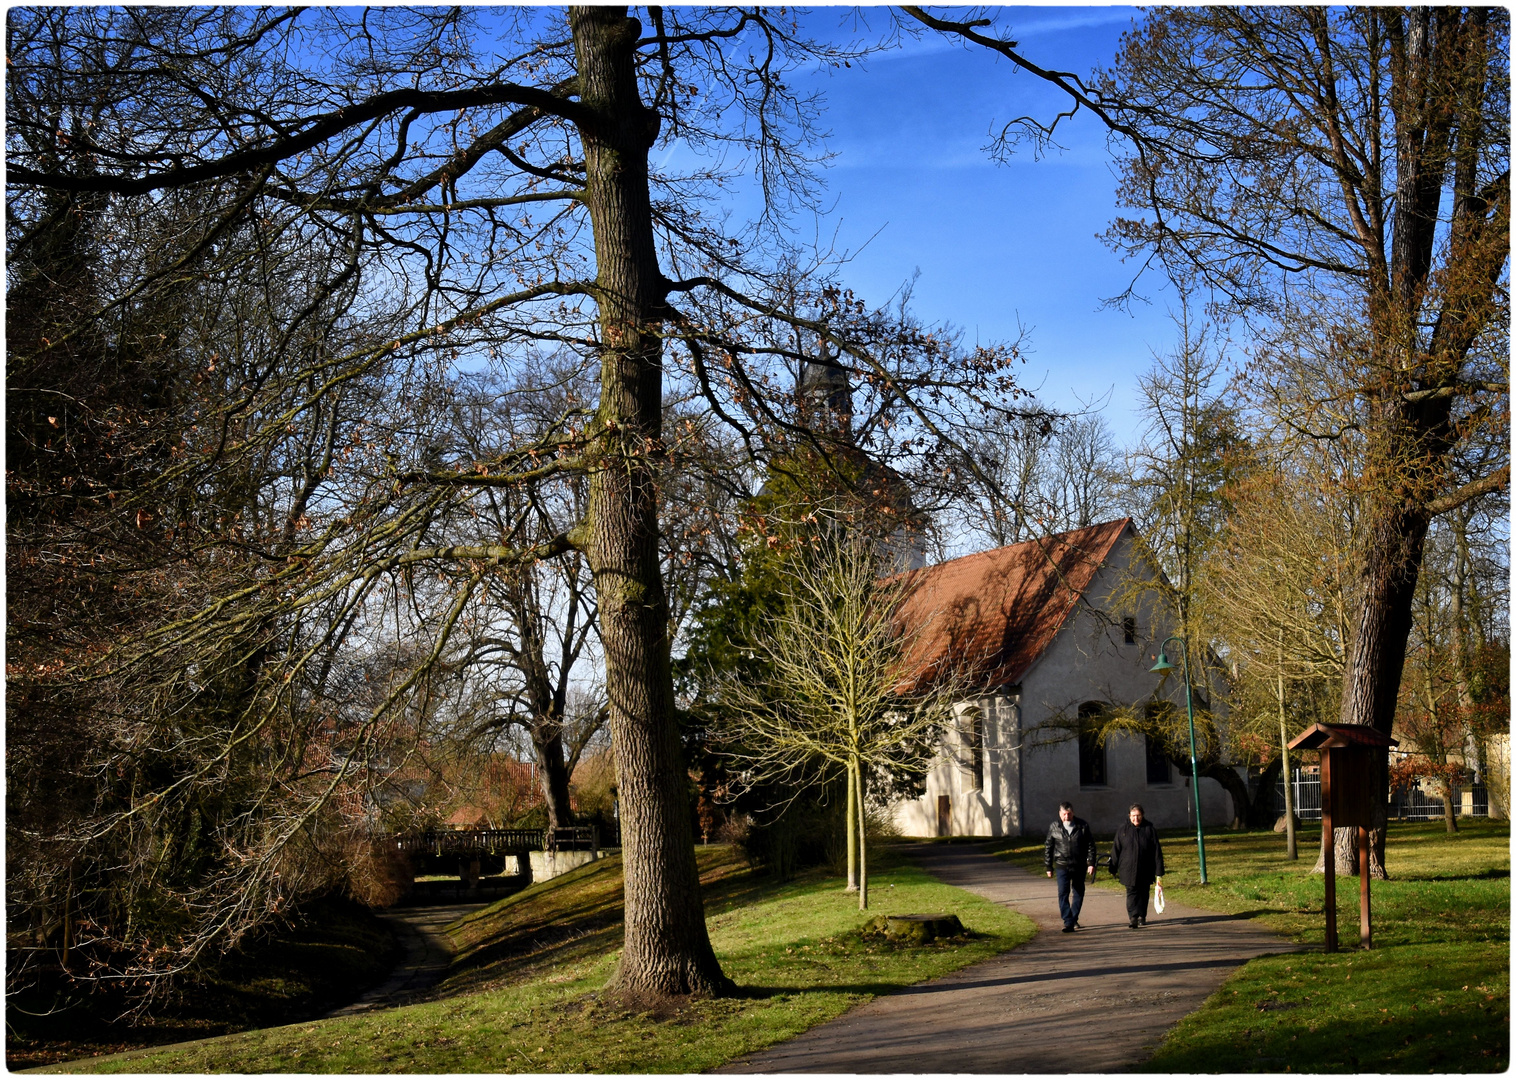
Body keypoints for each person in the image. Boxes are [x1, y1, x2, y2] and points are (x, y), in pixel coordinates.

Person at [1043, 801, 1097, 933]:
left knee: (1078, 892)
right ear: (1059, 814)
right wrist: (1048, 867)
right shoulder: (1055, 826)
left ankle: (1074, 917)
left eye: (1069, 814)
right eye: (1064, 814)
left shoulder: (1082, 825)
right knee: (1063, 892)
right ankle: (1068, 921)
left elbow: (1091, 845)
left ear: (1073, 813)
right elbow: (1048, 847)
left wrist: (1090, 863)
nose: (1067, 817)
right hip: (1062, 865)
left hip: (1079, 865)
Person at [1109, 803, 1165, 929]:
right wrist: (1113, 866)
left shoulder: (1149, 829)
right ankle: (1133, 917)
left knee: (1144, 892)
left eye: (1138, 816)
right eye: (1133, 816)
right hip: (1127, 868)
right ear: (1129, 816)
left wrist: (1159, 870)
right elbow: (1116, 850)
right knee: (1131, 892)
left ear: (1143, 815)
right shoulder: (1123, 830)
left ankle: (1142, 915)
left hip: (1145, 867)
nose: (1136, 819)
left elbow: (1156, 850)